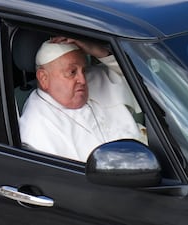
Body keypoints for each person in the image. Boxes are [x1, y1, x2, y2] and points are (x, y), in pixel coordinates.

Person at [18, 37, 147, 162]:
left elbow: (147, 82)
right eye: (72, 72)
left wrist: (100, 51)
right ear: (43, 78)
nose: (83, 80)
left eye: (84, 70)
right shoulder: (37, 130)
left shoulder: (96, 78)